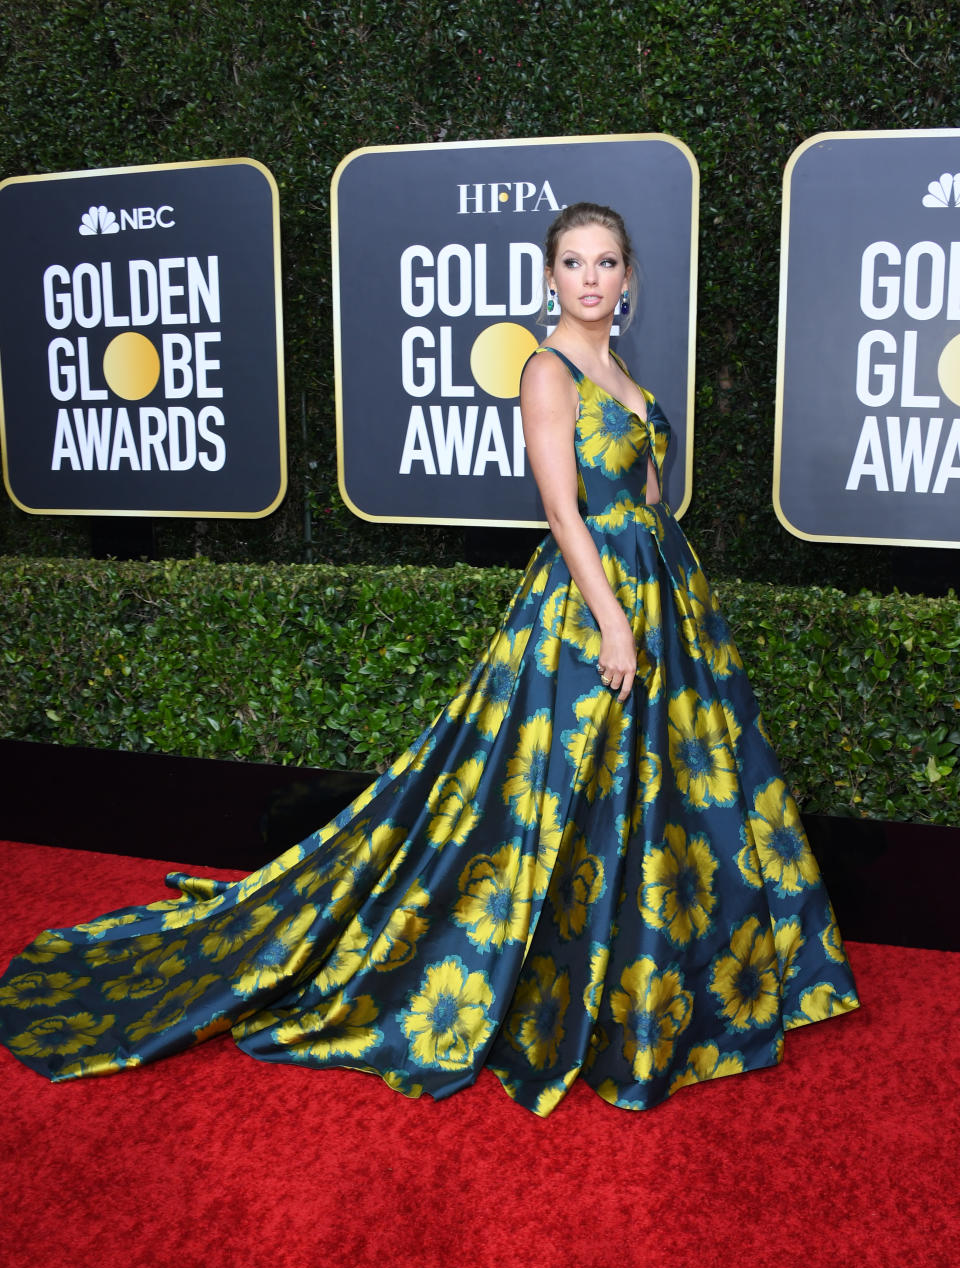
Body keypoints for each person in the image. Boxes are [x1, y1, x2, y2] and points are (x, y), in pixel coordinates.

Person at [0, 202, 858, 1116]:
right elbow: (565, 512)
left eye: (608, 263)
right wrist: (612, 620)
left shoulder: (629, 379)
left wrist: (665, 593)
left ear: (629, 277)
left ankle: (660, 986)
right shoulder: (547, 371)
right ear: (551, 278)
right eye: (574, 263)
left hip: (664, 593)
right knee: (564, 789)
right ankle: (560, 979)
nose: (593, 279)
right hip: (590, 608)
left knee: (667, 794)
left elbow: (650, 500)